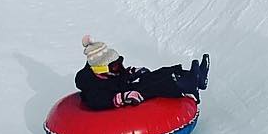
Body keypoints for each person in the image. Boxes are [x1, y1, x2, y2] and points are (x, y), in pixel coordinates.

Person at [75, 37, 210, 111]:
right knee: (153, 87)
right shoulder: (91, 86)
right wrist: (121, 97)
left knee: (155, 75)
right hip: (124, 95)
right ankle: (184, 85)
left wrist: (129, 73)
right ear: (102, 69)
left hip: (125, 86)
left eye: (119, 63)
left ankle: (194, 77)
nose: (119, 68)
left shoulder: (110, 73)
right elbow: (97, 101)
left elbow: (118, 76)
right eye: (116, 66)